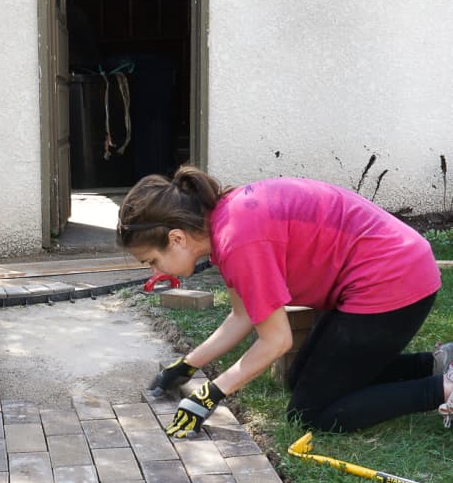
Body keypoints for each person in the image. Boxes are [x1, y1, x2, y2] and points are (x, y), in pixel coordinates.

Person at [118, 166, 453, 436]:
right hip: (377, 274)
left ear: (176, 238)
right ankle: (437, 364)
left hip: (393, 280)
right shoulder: (222, 224)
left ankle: (444, 390)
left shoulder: (237, 241)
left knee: (313, 413)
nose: (155, 270)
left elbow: (276, 341)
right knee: (300, 379)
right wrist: (186, 366)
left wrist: (211, 394)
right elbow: (242, 316)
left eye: (151, 260)